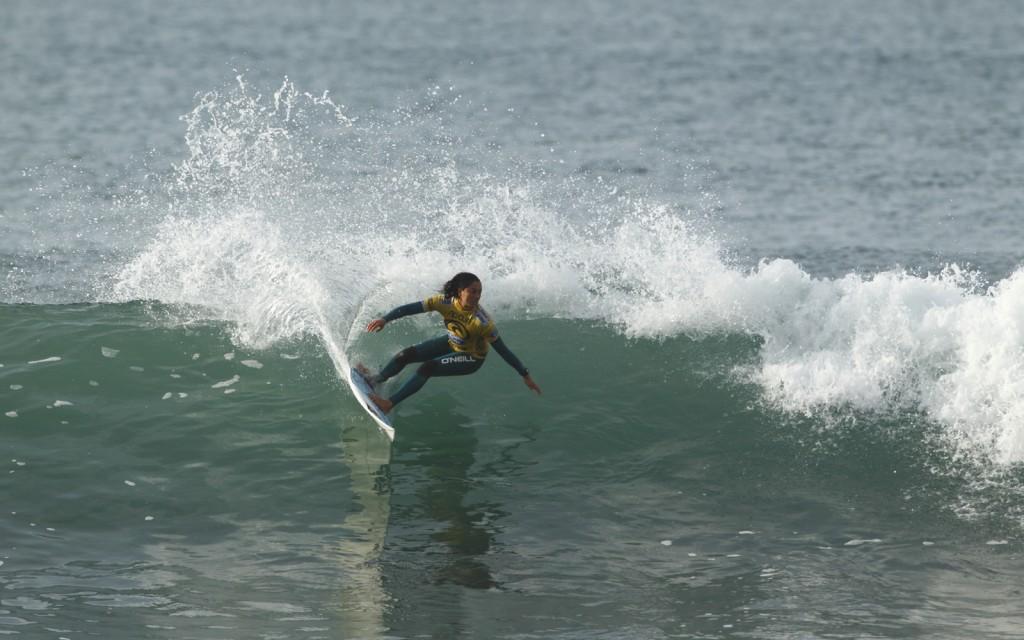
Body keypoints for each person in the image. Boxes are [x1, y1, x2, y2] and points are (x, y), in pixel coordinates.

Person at [360, 272, 541, 414]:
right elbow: (410, 308)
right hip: (451, 342)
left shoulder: (482, 322)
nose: (477, 296)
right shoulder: (443, 302)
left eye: (479, 292)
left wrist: (524, 374)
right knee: (405, 355)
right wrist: (386, 319)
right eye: (473, 291)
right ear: (460, 291)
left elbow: (504, 351)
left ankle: (388, 404)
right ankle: (377, 379)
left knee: (427, 367)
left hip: (471, 357)